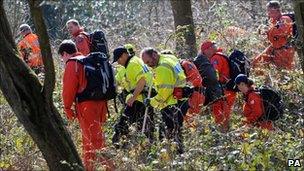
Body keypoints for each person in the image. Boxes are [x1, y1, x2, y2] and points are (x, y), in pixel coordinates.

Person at [58, 40, 112, 170]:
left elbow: (68, 89)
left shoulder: (73, 63)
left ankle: (99, 167)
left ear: (65, 53)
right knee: (98, 136)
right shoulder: (88, 59)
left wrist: (67, 107)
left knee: (91, 140)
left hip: (86, 105)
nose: (63, 60)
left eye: (62, 57)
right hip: (101, 103)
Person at [141, 47, 188, 153]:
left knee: (171, 132)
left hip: (171, 103)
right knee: (176, 130)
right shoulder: (169, 57)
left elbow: (165, 92)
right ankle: (177, 154)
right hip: (181, 99)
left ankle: (176, 155)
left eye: (148, 62)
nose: (148, 65)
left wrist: (151, 102)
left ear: (154, 55)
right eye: (146, 63)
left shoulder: (162, 68)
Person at [111, 46, 155, 145]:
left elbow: (142, 80)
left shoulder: (132, 64)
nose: (118, 62)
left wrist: (133, 97)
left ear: (124, 55)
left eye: (118, 59)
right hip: (145, 98)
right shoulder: (135, 61)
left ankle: (118, 146)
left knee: (122, 124)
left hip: (139, 99)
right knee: (145, 126)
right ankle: (146, 147)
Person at [200, 40, 236, 129]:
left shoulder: (215, 58)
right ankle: (226, 133)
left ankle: (222, 135)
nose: (205, 56)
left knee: (220, 114)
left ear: (209, 49)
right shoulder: (221, 55)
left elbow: (214, 75)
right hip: (229, 89)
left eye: (204, 53)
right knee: (225, 115)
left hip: (224, 90)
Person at [193, 45, 229, 132]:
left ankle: (219, 133)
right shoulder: (208, 60)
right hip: (218, 90)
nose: (213, 49)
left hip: (215, 91)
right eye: (211, 48)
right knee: (221, 113)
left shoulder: (213, 58)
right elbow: (214, 76)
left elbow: (213, 75)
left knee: (217, 114)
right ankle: (223, 132)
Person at [252, 1, 295, 70]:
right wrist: (263, 31)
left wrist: (268, 30)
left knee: (282, 74)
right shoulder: (272, 21)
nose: (268, 13)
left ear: (276, 10)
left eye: (270, 11)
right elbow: (269, 36)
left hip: (284, 51)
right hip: (273, 48)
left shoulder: (285, 19)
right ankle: (263, 80)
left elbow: (279, 32)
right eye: (267, 11)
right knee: (256, 63)